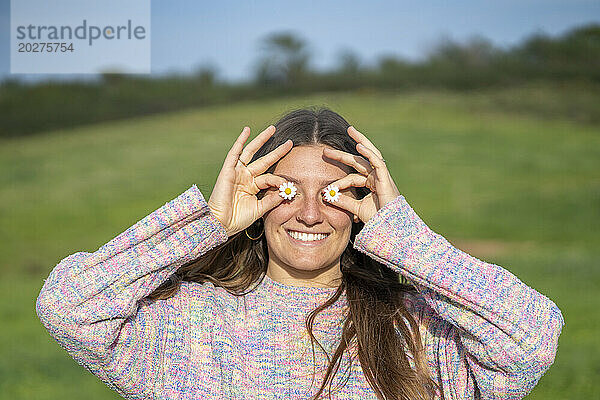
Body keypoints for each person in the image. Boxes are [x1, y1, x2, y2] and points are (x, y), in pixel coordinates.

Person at [36, 108, 564, 400]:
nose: (309, 213)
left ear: (366, 205)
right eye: (285, 191)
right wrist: (205, 225)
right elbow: (69, 306)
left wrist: (405, 237)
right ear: (255, 200)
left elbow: (534, 338)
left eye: (336, 193)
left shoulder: (421, 328)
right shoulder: (187, 323)